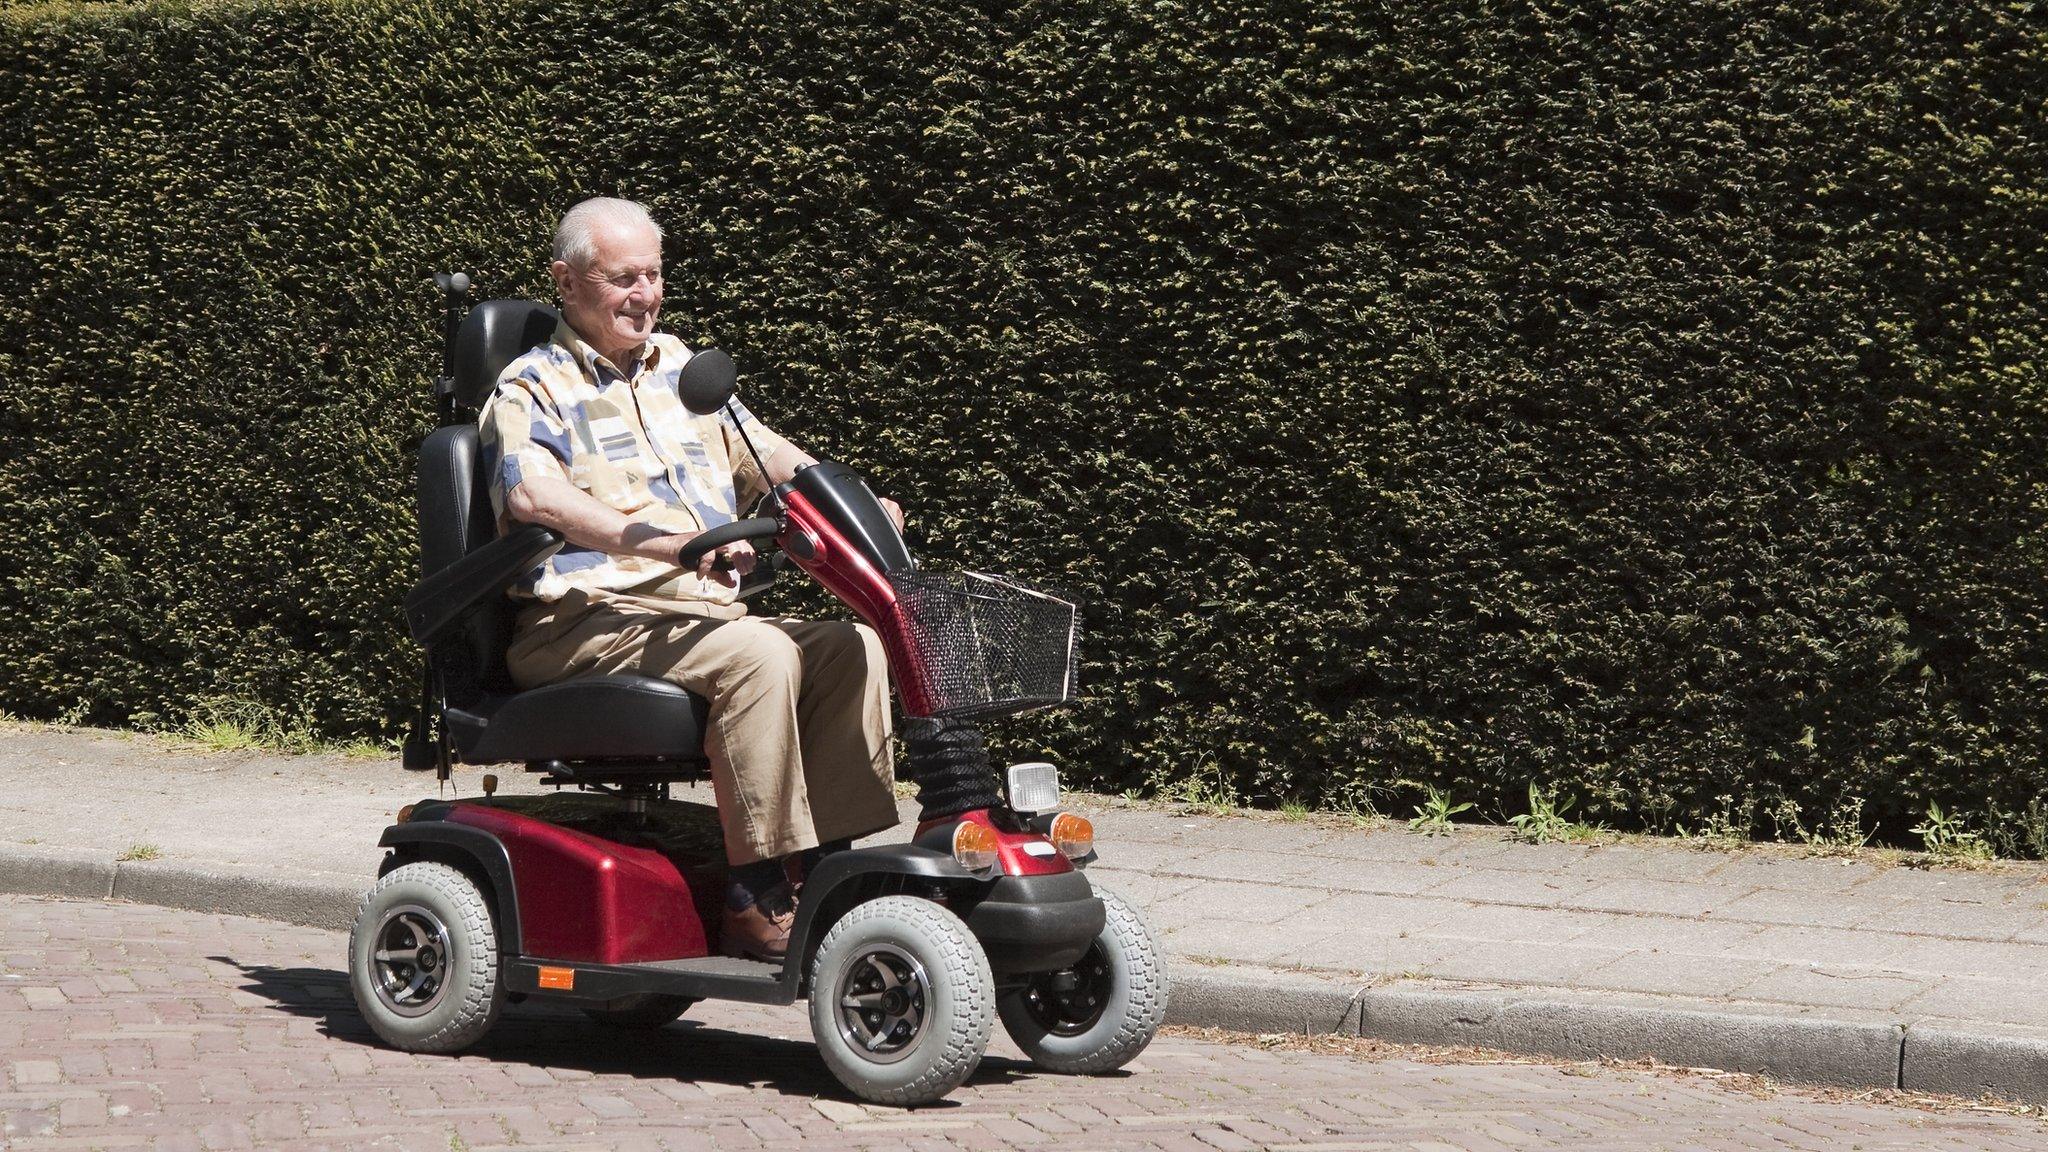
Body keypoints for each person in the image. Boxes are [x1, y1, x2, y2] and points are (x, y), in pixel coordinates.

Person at [477, 197, 903, 962]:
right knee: (762, 657)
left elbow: (767, 455)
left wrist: (854, 504)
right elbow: (533, 496)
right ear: (566, 282)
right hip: (581, 622)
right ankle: (756, 891)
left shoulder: (683, 370)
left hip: (694, 617)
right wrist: (671, 545)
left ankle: (833, 869)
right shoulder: (532, 386)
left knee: (851, 647)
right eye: (622, 279)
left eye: (654, 275)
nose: (644, 294)